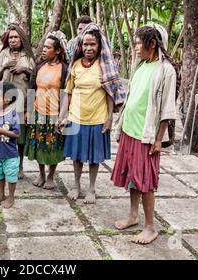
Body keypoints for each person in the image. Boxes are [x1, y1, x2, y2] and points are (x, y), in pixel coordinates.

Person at [111, 24, 177, 245]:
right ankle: (133, 215)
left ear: (153, 43)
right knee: (132, 177)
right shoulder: (141, 65)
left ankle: (150, 227)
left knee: (146, 181)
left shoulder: (166, 70)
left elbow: (168, 108)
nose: (136, 47)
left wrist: (159, 139)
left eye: (140, 43)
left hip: (146, 135)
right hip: (130, 130)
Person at [58, 23, 125, 204]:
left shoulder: (105, 67)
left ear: (99, 46)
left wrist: (110, 118)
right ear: (81, 46)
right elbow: (69, 92)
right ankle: (77, 186)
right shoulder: (76, 66)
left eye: (92, 44)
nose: (88, 48)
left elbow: (111, 93)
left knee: (94, 158)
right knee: (77, 156)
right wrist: (62, 116)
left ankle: (92, 188)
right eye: (85, 44)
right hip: (76, 118)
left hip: (98, 118)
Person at [25, 31, 69, 190]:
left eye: (48, 47)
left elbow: (66, 93)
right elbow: (32, 89)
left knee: (53, 148)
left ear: (57, 51)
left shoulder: (64, 69)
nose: (43, 50)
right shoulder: (39, 66)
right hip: (38, 113)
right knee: (38, 146)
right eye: (43, 47)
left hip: (54, 115)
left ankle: (51, 176)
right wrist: (29, 111)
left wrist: (64, 116)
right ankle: (42, 174)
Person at [0, 23, 35, 179]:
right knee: (3, 134)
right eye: (11, 37)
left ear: (22, 39)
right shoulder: (4, 54)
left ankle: (19, 166)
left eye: (16, 37)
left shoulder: (28, 56)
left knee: (19, 137)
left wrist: (24, 69)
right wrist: (5, 66)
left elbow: (35, 80)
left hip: (22, 102)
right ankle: (4, 164)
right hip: (5, 102)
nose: (13, 40)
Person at [0, 81, 20, 209]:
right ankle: (1, 195)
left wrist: (2, 131)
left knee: (11, 176)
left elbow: (17, 134)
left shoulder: (13, 115)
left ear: (6, 100)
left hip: (10, 154)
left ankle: (11, 197)